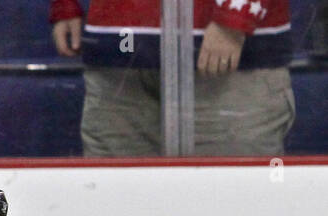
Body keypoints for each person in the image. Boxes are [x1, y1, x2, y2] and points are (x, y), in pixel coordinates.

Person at [50, 0, 295, 156]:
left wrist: (235, 16)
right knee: (115, 208)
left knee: (233, 207)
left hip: (230, 67)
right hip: (118, 66)